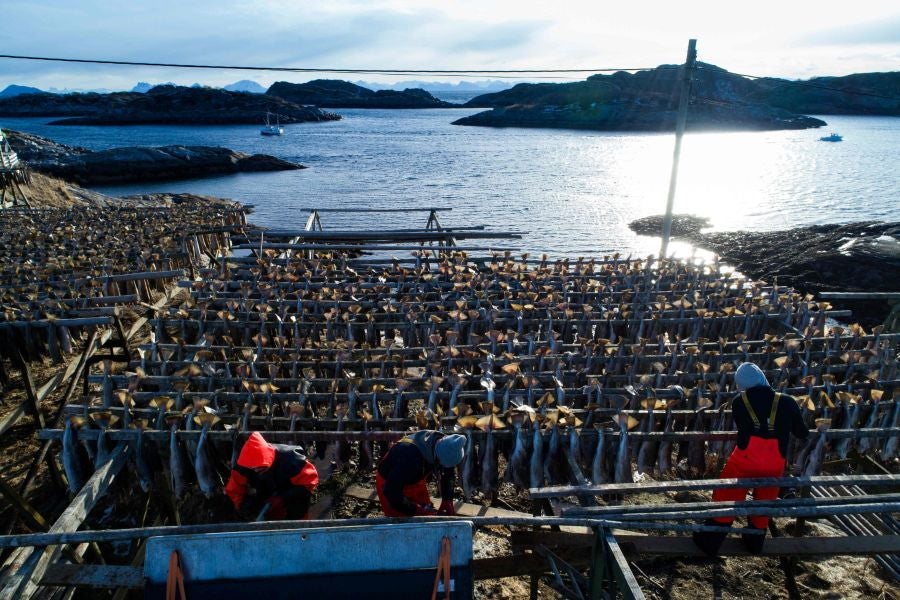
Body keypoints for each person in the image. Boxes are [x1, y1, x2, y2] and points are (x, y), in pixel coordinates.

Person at [693, 362, 809, 556]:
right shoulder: (788, 401)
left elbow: (744, 430)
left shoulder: (740, 401)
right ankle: (754, 544)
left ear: (741, 384)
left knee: (726, 498)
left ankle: (710, 542)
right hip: (774, 463)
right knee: (764, 503)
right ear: (762, 376)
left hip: (745, 460)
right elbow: (801, 432)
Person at [225, 431, 319, 520]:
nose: (256, 470)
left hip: (291, 499)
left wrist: (281, 498)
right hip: (266, 501)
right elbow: (233, 490)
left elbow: (309, 482)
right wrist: (246, 508)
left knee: (297, 518)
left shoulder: (291, 458)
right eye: (253, 468)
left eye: (261, 467)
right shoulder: (243, 466)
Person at [376, 430, 466, 517]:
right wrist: (414, 510)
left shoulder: (445, 444)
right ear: (436, 456)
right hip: (389, 483)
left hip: (415, 478)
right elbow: (391, 491)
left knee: (427, 514)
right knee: (402, 522)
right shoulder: (409, 456)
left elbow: (448, 472)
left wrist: (447, 498)